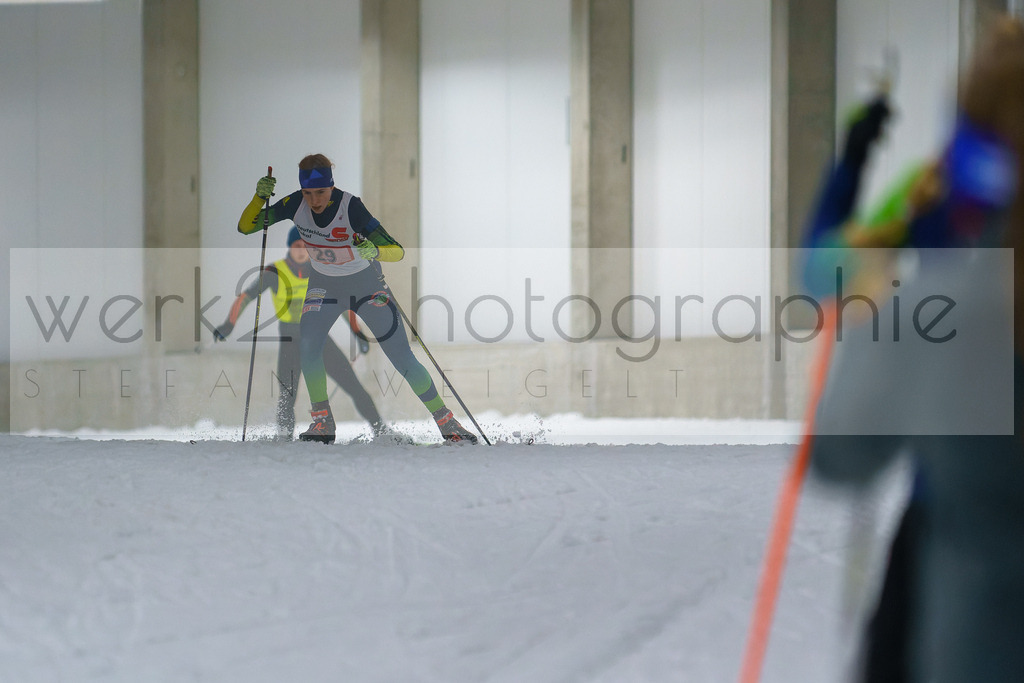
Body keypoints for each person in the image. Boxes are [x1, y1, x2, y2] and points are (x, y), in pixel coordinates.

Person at [808, 15, 1024, 683]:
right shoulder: (933, 204)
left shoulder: (944, 212)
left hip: (959, 536)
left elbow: (823, 268)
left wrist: (854, 158)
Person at [236, 154, 478, 445]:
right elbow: (247, 226)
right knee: (309, 345)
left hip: (366, 286)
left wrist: (373, 251)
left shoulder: (351, 206)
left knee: (402, 357)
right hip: (324, 285)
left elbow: (396, 251)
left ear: (331, 186)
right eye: (308, 193)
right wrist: (258, 197)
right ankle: (322, 422)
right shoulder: (293, 204)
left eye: (321, 193)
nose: (314, 201)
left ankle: (446, 420)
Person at [213, 225, 386, 440]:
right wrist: (229, 324)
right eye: (297, 245)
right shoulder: (273, 272)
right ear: (290, 247)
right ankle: (285, 437)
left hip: (319, 339)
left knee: (353, 386)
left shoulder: (322, 270)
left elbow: (343, 304)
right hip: (290, 341)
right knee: (287, 397)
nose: (302, 250)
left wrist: (358, 333)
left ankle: (381, 430)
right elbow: (246, 297)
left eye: (306, 245)